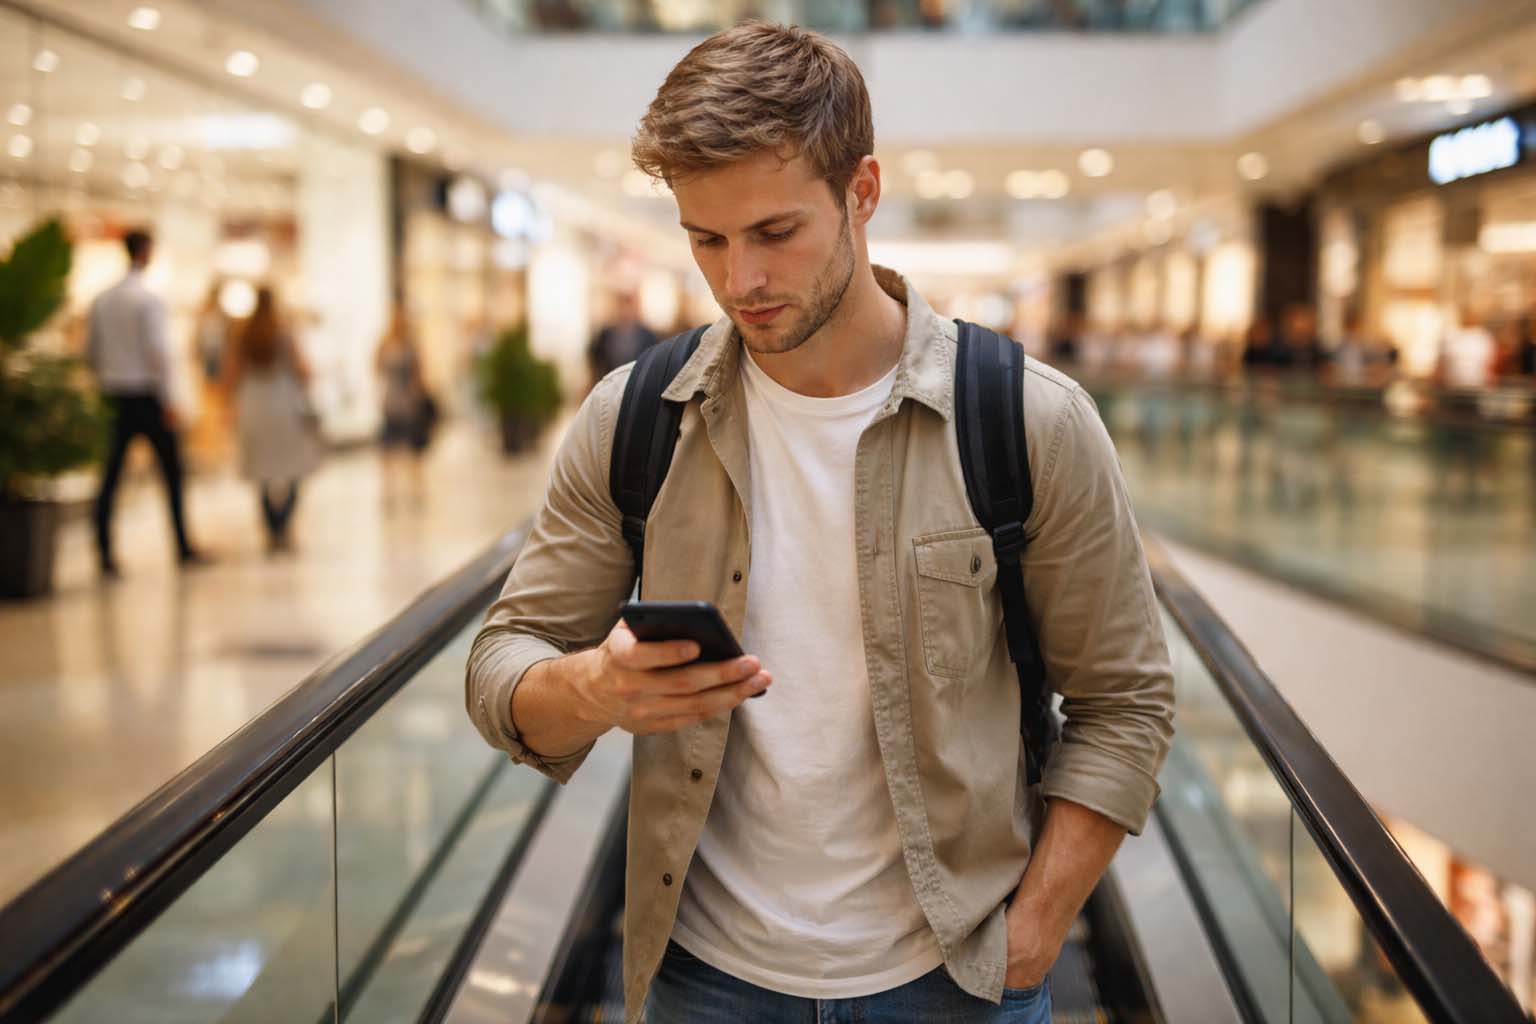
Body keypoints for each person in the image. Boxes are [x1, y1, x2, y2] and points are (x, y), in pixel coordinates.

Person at [466, 23, 1174, 1024]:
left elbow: (1126, 702)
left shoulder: (1027, 421)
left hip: (956, 981)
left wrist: (1036, 931)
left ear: (864, 192)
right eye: (705, 239)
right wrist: (594, 686)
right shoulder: (634, 419)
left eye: (774, 232)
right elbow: (502, 664)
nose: (738, 279)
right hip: (704, 977)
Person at [87, 229, 207, 577]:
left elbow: (91, 352)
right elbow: (159, 354)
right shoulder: (148, 300)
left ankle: (105, 552)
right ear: (146, 251)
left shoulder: (102, 299)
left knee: (110, 477)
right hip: (146, 395)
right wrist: (170, 399)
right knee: (171, 473)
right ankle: (182, 546)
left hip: (113, 396)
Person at [223, 287, 320, 551]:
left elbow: (231, 374)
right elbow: (303, 370)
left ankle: (271, 525)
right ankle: (283, 521)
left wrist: (228, 407)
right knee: (292, 465)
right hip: (283, 402)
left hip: (254, 404)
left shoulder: (243, 336)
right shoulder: (284, 334)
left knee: (263, 470)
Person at [375, 302, 430, 503]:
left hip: (407, 402)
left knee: (413, 450)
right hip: (392, 401)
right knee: (388, 449)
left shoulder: (410, 347)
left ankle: (416, 489)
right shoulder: (386, 345)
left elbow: (419, 373)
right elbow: (376, 367)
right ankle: (389, 491)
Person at [586, 290, 659, 388]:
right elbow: (595, 360)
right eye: (622, 307)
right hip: (610, 386)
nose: (625, 312)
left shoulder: (648, 335)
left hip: (638, 387)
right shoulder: (605, 334)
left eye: (628, 307)